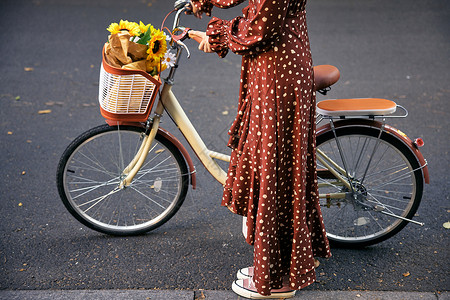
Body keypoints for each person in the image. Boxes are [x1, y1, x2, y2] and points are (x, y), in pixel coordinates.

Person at [188, 0, 331, 298]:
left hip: (279, 75)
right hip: (274, 69)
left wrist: (220, 35)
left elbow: (260, 28)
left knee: (275, 174)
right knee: (280, 171)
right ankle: (294, 260)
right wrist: (206, 2)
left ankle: (277, 280)